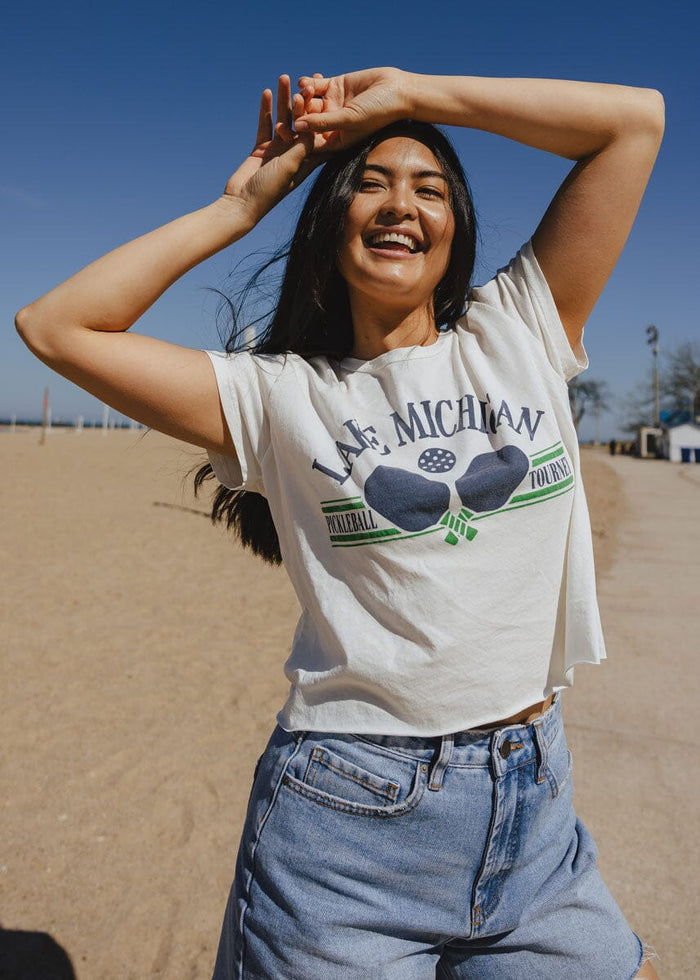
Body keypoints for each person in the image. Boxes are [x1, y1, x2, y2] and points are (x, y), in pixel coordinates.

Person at [16, 68, 664, 979]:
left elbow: (636, 123)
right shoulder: (279, 395)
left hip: (535, 815)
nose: (402, 203)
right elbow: (56, 327)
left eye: (430, 189)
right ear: (331, 225)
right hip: (345, 832)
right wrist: (241, 206)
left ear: (456, 234)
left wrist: (413, 95)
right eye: (372, 182)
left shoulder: (519, 328)